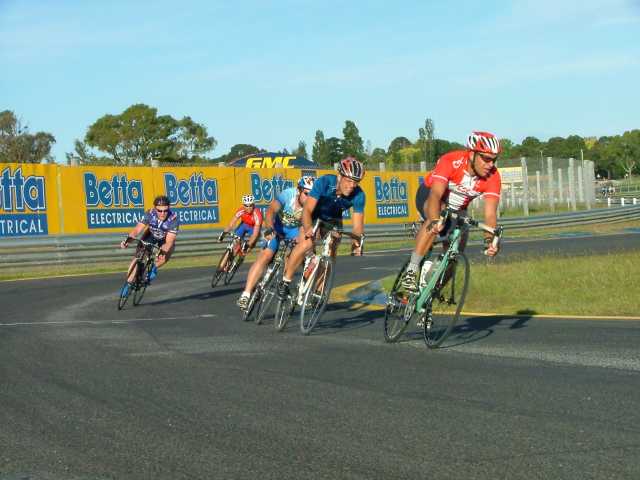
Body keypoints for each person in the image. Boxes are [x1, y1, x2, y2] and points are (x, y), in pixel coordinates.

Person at [403, 131, 502, 292]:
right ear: (472, 154)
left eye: (494, 159)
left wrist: (489, 240)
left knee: (456, 251)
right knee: (438, 217)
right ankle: (412, 270)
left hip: (458, 209)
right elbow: (435, 195)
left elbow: (490, 214)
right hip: (431, 195)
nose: (491, 164)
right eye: (486, 158)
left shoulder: (493, 176)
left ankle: (431, 293)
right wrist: (434, 220)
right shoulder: (451, 161)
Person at [277, 157, 366, 300]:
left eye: (356, 182)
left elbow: (357, 226)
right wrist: (308, 228)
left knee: (332, 251)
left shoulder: (359, 195)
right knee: (307, 243)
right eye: (349, 181)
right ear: (340, 176)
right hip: (314, 214)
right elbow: (307, 210)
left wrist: (356, 243)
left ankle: (318, 292)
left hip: (334, 219)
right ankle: (285, 281)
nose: (352, 186)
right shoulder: (325, 182)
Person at [236, 176, 316, 310]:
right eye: (306, 194)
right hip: (277, 227)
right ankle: (246, 294)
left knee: (297, 255)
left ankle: (286, 284)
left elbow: (308, 227)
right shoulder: (287, 195)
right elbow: (270, 212)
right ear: (299, 191)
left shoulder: (313, 204)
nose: (309, 199)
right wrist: (269, 229)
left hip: (295, 231)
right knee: (265, 255)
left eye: (312, 195)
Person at [119, 195, 179, 296]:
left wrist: (163, 252)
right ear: (155, 208)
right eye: (160, 211)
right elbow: (137, 230)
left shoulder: (173, 219)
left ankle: (154, 268)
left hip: (164, 239)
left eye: (165, 210)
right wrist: (128, 240)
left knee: (167, 254)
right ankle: (129, 283)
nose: (163, 213)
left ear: (169, 208)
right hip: (150, 235)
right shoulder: (150, 214)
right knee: (137, 258)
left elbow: (169, 241)